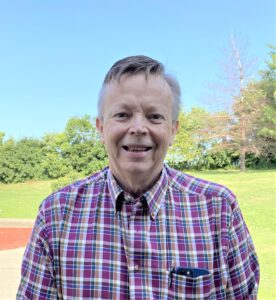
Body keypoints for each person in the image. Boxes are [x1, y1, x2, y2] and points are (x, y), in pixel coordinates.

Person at [17, 55, 259, 299]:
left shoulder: (218, 209)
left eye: (154, 116)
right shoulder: (55, 215)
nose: (138, 128)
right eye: (122, 114)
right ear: (101, 128)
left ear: (173, 130)